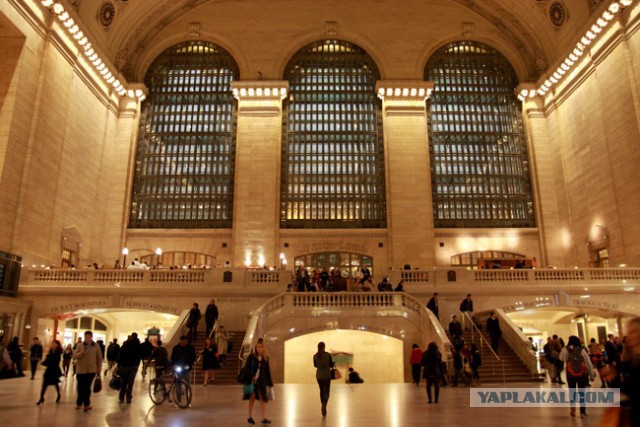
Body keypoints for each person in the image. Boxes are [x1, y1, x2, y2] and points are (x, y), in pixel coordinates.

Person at [559, 335, 595, 418]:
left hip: (570, 373)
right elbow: (588, 363)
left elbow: (561, 358)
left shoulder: (566, 349)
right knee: (582, 392)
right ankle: (582, 412)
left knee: (572, 392)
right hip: (582, 374)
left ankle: (573, 410)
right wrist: (591, 375)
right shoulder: (582, 350)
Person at [243, 341, 273, 426]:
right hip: (252, 382)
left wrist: (270, 383)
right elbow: (246, 369)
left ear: (263, 348)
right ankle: (249, 417)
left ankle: (264, 418)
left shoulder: (266, 358)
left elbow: (267, 371)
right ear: (255, 348)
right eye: (257, 347)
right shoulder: (252, 357)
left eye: (260, 347)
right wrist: (251, 376)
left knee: (262, 399)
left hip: (261, 382)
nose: (259, 349)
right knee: (252, 399)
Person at [73, 330, 103, 411]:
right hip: (80, 370)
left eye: (89, 337)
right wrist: (81, 353)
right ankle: (79, 403)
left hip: (91, 370)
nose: (87, 339)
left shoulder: (96, 345)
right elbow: (74, 356)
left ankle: (86, 404)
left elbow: (99, 358)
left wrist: (99, 368)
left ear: (91, 337)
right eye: (86, 337)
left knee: (87, 387)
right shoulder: (80, 345)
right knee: (80, 387)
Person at [117, 332, 142, 404]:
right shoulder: (138, 345)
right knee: (131, 382)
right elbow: (140, 354)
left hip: (125, 365)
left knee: (124, 381)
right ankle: (128, 397)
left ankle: (121, 396)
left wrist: (119, 364)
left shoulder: (126, 344)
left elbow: (121, 354)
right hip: (134, 365)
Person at [36, 340, 63, 405]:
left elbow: (55, 361)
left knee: (55, 384)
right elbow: (47, 360)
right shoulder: (50, 351)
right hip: (49, 370)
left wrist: (47, 363)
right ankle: (41, 398)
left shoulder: (58, 353)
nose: (52, 344)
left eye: (53, 343)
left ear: (57, 345)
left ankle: (58, 395)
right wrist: (43, 362)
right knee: (44, 385)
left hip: (54, 370)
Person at [313, 341, 334, 417]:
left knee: (321, 391)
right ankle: (324, 405)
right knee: (327, 392)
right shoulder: (327, 355)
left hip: (319, 375)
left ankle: (323, 405)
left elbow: (315, 365)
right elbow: (331, 365)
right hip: (327, 375)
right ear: (324, 347)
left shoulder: (315, 356)